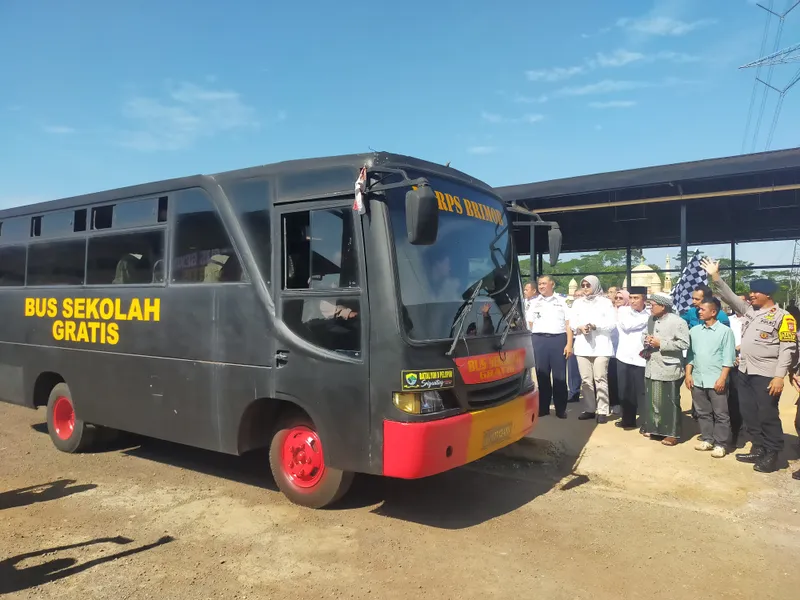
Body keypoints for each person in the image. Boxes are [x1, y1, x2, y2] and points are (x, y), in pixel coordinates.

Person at [701, 258, 798, 473]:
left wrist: (779, 376)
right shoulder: (750, 311)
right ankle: (758, 447)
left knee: (767, 414)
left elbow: (788, 349)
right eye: (751, 292)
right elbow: (729, 296)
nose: (751, 295)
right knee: (749, 413)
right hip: (745, 371)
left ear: (768, 295)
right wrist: (715, 277)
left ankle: (773, 454)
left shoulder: (784, 318)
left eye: (756, 292)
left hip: (767, 374)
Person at [686, 297, 737, 459]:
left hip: (716, 379)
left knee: (721, 413)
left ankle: (721, 444)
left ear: (713, 312)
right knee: (702, 412)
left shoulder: (725, 332)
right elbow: (690, 355)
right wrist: (688, 374)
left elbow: (728, 358)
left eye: (702, 309)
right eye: (699, 309)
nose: (699, 311)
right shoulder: (694, 331)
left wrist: (722, 378)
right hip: (697, 379)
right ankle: (707, 439)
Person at [641, 292, 690, 446]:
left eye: (653, 305)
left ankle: (672, 433)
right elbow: (645, 334)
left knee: (670, 401)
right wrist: (646, 340)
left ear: (663, 306)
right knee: (653, 400)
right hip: (652, 365)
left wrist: (661, 343)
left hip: (669, 367)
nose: (650, 307)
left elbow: (684, 344)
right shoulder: (651, 320)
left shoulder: (678, 322)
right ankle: (656, 429)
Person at [570, 276, 617, 423]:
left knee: (600, 377)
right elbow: (572, 323)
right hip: (583, 346)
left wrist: (596, 326)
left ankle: (602, 410)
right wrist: (579, 327)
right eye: (583, 285)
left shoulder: (605, 302)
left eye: (588, 285)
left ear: (595, 286)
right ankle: (590, 409)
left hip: (601, 345)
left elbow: (611, 324)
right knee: (586, 380)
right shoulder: (577, 303)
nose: (585, 288)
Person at [527, 275, 574, 419]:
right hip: (539, 340)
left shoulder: (563, 300)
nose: (541, 286)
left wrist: (569, 344)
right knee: (542, 375)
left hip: (558, 340)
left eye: (544, 283)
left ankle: (561, 409)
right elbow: (529, 323)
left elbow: (568, 324)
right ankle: (544, 408)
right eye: (539, 284)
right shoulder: (534, 302)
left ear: (552, 284)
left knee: (559, 376)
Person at [614, 286, 650, 430]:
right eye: (632, 298)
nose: (633, 301)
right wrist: (649, 319)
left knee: (642, 392)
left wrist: (649, 317)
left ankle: (647, 423)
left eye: (637, 298)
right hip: (624, 356)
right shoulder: (623, 310)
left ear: (644, 299)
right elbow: (627, 326)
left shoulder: (650, 312)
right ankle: (628, 420)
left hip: (641, 358)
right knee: (625, 391)